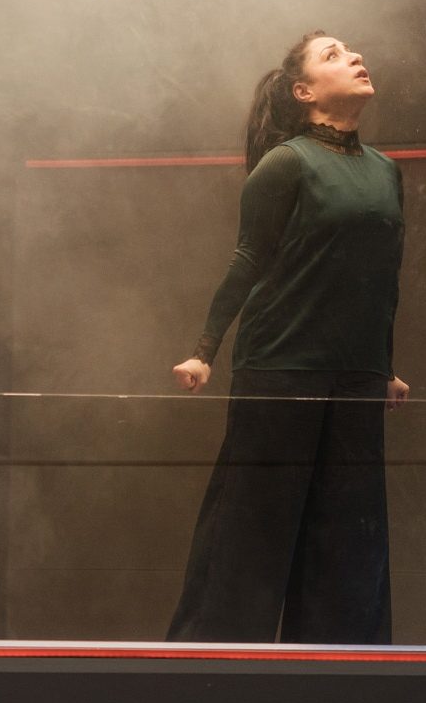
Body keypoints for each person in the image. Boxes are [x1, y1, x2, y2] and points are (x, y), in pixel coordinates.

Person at [165, 32, 409, 645]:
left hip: (355, 377)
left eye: (351, 50)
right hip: (281, 367)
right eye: (333, 55)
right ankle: (212, 671)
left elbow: (381, 278)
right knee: (251, 529)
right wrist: (204, 351)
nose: (354, 57)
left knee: (350, 539)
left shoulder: (386, 171)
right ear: (303, 92)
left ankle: (342, 678)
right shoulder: (288, 162)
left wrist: (383, 367)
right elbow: (248, 260)